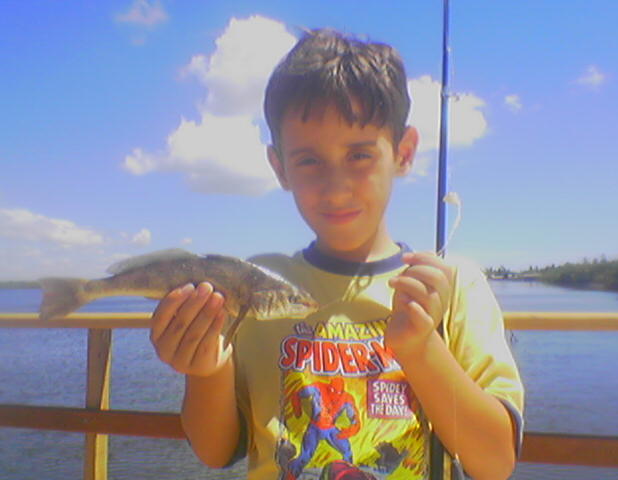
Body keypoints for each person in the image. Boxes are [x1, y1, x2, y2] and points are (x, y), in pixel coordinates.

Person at [150, 28, 524, 480]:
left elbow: (495, 463)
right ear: (279, 167)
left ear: (404, 153)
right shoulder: (256, 282)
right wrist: (206, 370)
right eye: (309, 160)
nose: (336, 187)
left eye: (360, 156)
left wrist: (424, 349)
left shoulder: (453, 285)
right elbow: (215, 450)